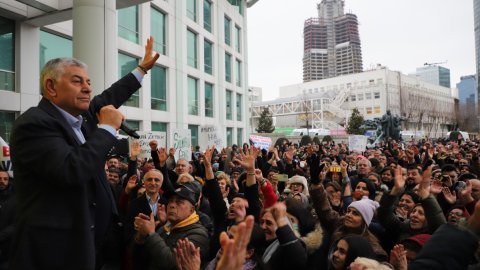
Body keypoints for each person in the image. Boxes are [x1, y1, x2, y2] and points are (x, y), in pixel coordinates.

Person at [9, 37, 159, 270]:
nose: (88, 88)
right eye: (77, 82)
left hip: (96, 243)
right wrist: (107, 128)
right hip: (60, 252)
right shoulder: (34, 124)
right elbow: (72, 169)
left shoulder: (81, 118)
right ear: (51, 87)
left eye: (88, 82)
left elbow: (109, 97)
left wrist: (141, 70)